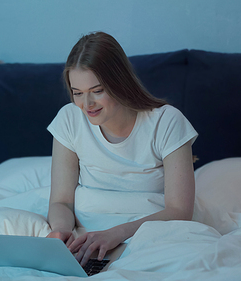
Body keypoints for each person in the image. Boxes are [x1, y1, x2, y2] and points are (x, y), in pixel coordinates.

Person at [46, 31, 198, 267]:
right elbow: (62, 202)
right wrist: (61, 231)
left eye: (97, 91)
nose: (87, 105)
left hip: (147, 236)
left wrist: (115, 234)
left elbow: (180, 211)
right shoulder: (69, 119)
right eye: (77, 93)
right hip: (87, 241)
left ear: (120, 82)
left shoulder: (166, 122)